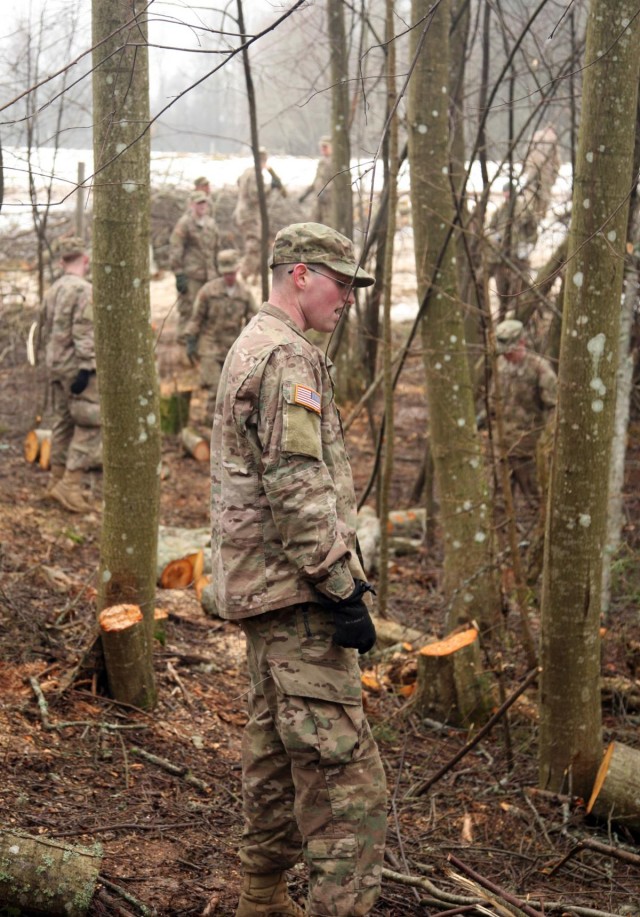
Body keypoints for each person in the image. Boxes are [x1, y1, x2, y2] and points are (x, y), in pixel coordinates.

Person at [210, 222, 387, 917]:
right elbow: (296, 486)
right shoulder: (286, 357)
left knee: (275, 757)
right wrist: (342, 585)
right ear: (301, 274)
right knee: (348, 789)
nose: (348, 298)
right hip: (298, 597)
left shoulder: (251, 345)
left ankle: (261, 897)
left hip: (266, 595)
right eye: (342, 284)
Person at [40, 236, 101, 513]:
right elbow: (84, 330)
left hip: (55, 366)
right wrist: (88, 366)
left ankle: (55, 481)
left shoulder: (52, 290)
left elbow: (42, 330)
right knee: (91, 423)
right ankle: (70, 485)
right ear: (85, 260)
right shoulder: (84, 290)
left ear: (63, 261)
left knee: (63, 423)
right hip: (76, 368)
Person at [184, 248, 256, 424]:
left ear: (237, 270)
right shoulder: (208, 291)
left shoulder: (244, 294)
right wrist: (190, 339)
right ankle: (210, 428)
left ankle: (228, 431)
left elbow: (253, 321)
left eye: (231, 273)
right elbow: (196, 319)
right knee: (215, 390)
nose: (229, 276)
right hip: (209, 346)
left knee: (234, 391)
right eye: (225, 273)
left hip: (232, 349)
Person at [493, 318, 557, 504]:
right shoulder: (500, 365)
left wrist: (547, 440)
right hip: (501, 444)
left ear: (522, 343)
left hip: (528, 448)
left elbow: (554, 407)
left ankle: (540, 532)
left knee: (536, 497)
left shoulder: (540, 369)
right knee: (498, 498)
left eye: (509, 351)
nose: (505, 355)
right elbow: (493, 400)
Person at [169, 191, 219, 342]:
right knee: (189, 308)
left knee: (209, 309)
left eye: (204, 203)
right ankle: (184, 343)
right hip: (192, 275)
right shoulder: (185, 223)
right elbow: (176, 248)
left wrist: (219, 270)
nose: (202, 206)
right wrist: (178, 273)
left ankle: (203, 341)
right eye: (198, 203)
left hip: (210, 274)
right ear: (191, 205)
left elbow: (216, 248)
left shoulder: (211, 223)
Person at [233, 147, 286, 282]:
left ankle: (255, 277)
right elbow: (255, 196)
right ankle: (242, 276)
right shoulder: (255, 174)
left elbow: (239, 184)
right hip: (249, 216)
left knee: (259, 244)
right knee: (254, 247)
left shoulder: (247, 172)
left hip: (244, 214)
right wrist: (270, 188)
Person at [486, 182, 538, 315]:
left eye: (508, 191)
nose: (506, 195)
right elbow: (491, 228)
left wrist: (528, 247)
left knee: (519, 291)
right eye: (505, 192)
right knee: (501, 290)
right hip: (501, 257)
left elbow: (533, 231)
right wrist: (496, 238)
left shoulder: (524, 209)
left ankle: (518, 317)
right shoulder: (500, 210)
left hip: (519, 259)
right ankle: (503, 317)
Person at [299, 135, 334, 225]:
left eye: (325, 147)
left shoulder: (335, 162)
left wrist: (325, 191)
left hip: (329, 201)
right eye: (322, 147)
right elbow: (316, 181)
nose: (323, 149)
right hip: (318, 198)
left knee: (328, 225)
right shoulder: (321, 162)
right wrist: (306, 193)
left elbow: (336, 180)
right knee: (313, 223)